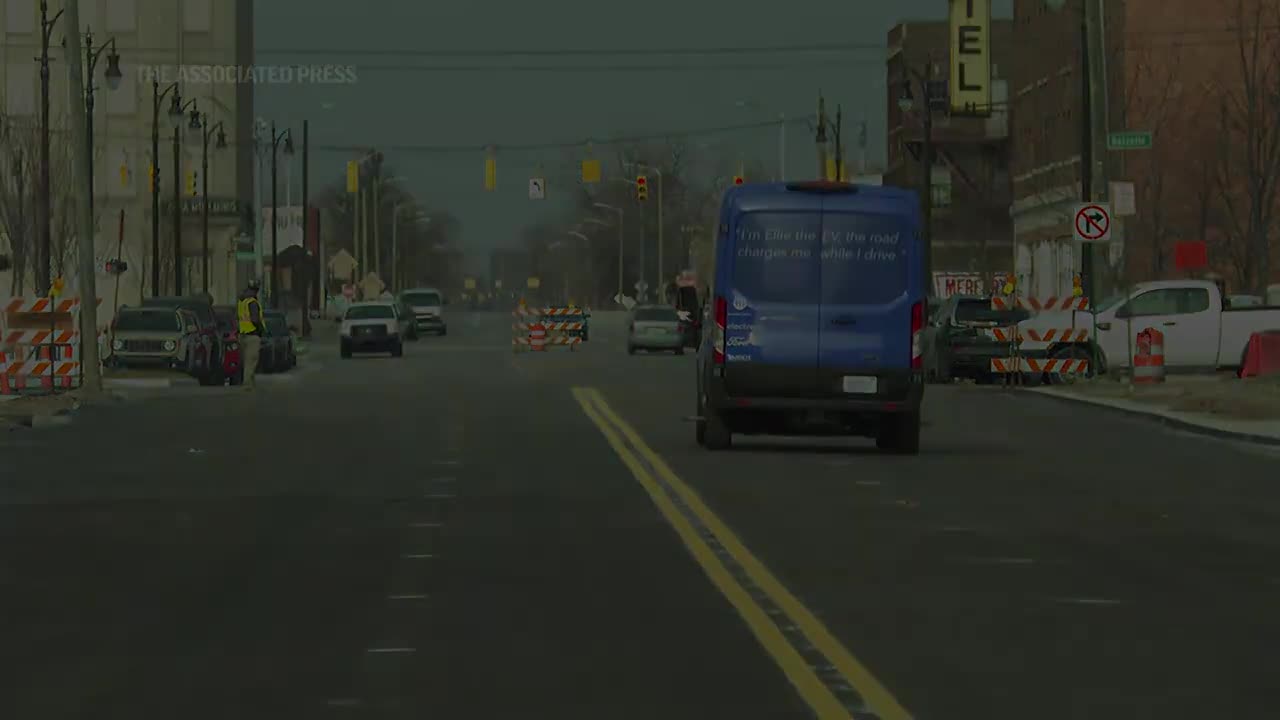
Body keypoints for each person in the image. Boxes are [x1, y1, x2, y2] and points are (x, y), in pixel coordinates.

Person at [236, 280, 265, 390]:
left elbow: (237, 318)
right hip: (253, 334)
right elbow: (255, 320)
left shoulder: (241, 302)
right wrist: (261, 330)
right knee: (251, 361)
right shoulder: (252, 302)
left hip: (242, 334)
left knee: (246, 361)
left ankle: (251, 383)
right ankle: (247, 384)